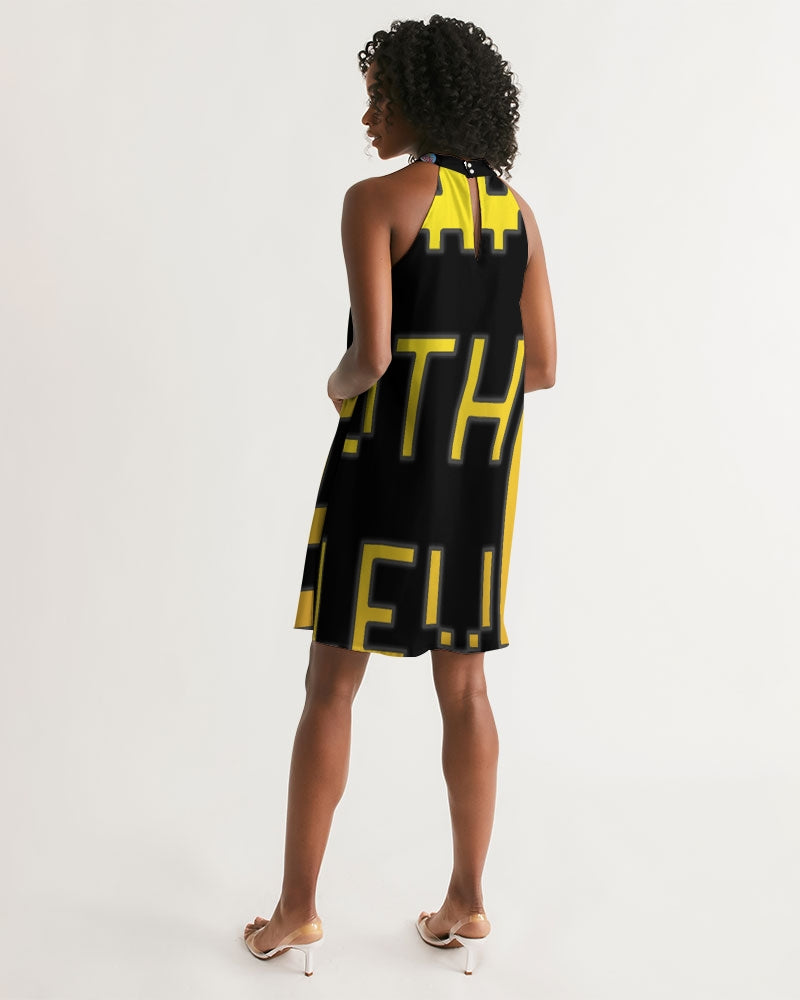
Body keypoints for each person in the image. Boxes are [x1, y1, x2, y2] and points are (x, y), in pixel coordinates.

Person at [243, 15, 556, 975]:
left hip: (385, 474)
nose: (368, 114)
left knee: (332, 685)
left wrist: (334, 387)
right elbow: (542, 366)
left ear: (421, 99)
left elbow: (371, 356)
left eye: (379, 94)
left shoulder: (375, 201)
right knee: (465, 686)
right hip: (474, 485)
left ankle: (297, 910)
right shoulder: (517, 215)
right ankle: (467, 899)